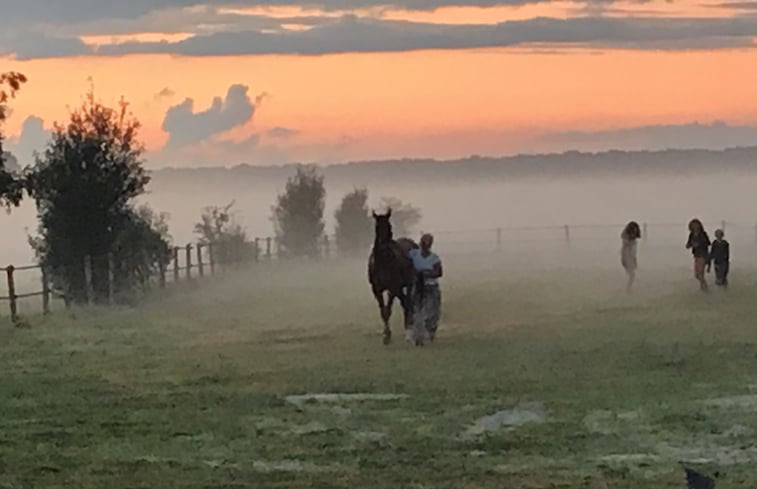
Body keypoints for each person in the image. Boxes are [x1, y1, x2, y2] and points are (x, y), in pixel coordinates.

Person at [408, 234, 443, 342]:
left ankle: (430, 331)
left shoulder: (434, 258)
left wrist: (425, 273)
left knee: (432, 311)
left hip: (430, 286)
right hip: (418, 286)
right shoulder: (413, 254)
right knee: (416, 309)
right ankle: (417, 333)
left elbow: (439, 272)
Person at [686, 218, 711, 292]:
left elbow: (707, 243)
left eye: (696, 225)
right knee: (697, 275)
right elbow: (689, 243)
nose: (695, 227)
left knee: (700, 273)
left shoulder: (703, 234)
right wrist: (689, 245)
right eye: (693, 225)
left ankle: (705, 289)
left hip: (703, 255)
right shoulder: (691, 234)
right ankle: (704, 286)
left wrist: (698, 244)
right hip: (696, 255)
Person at [620, 221, 641, 293]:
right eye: (634, 230)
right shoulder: (627, 242)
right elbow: (625, 252)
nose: (635, 232)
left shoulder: (632, 241)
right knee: (632, 275)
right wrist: (625, 260)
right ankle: (628, 290)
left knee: (632, 275)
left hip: (631, 258)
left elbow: (634, 252)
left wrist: (635, 260)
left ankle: (629, 289)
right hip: (627, 258)